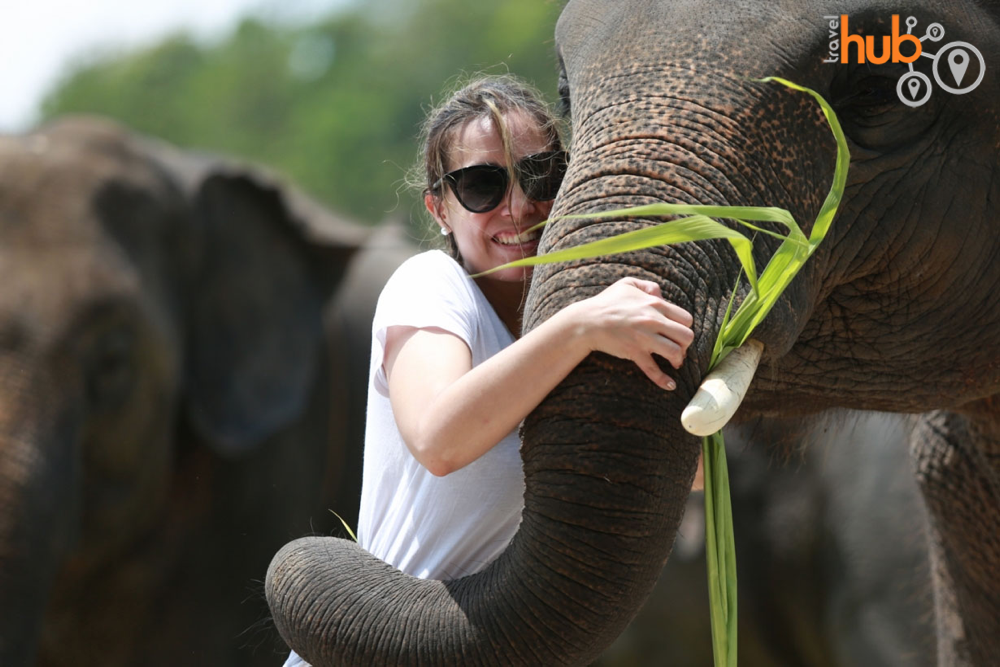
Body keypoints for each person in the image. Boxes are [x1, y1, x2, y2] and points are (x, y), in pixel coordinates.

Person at [282, 74, 694, 666]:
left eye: (540, 176)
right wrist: (581, 326)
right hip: (381, 643)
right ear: (440, 208)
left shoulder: (575, 323)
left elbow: (680, 473)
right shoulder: (432, 286)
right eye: (482, 185)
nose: (519, 208)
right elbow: (439, 438)